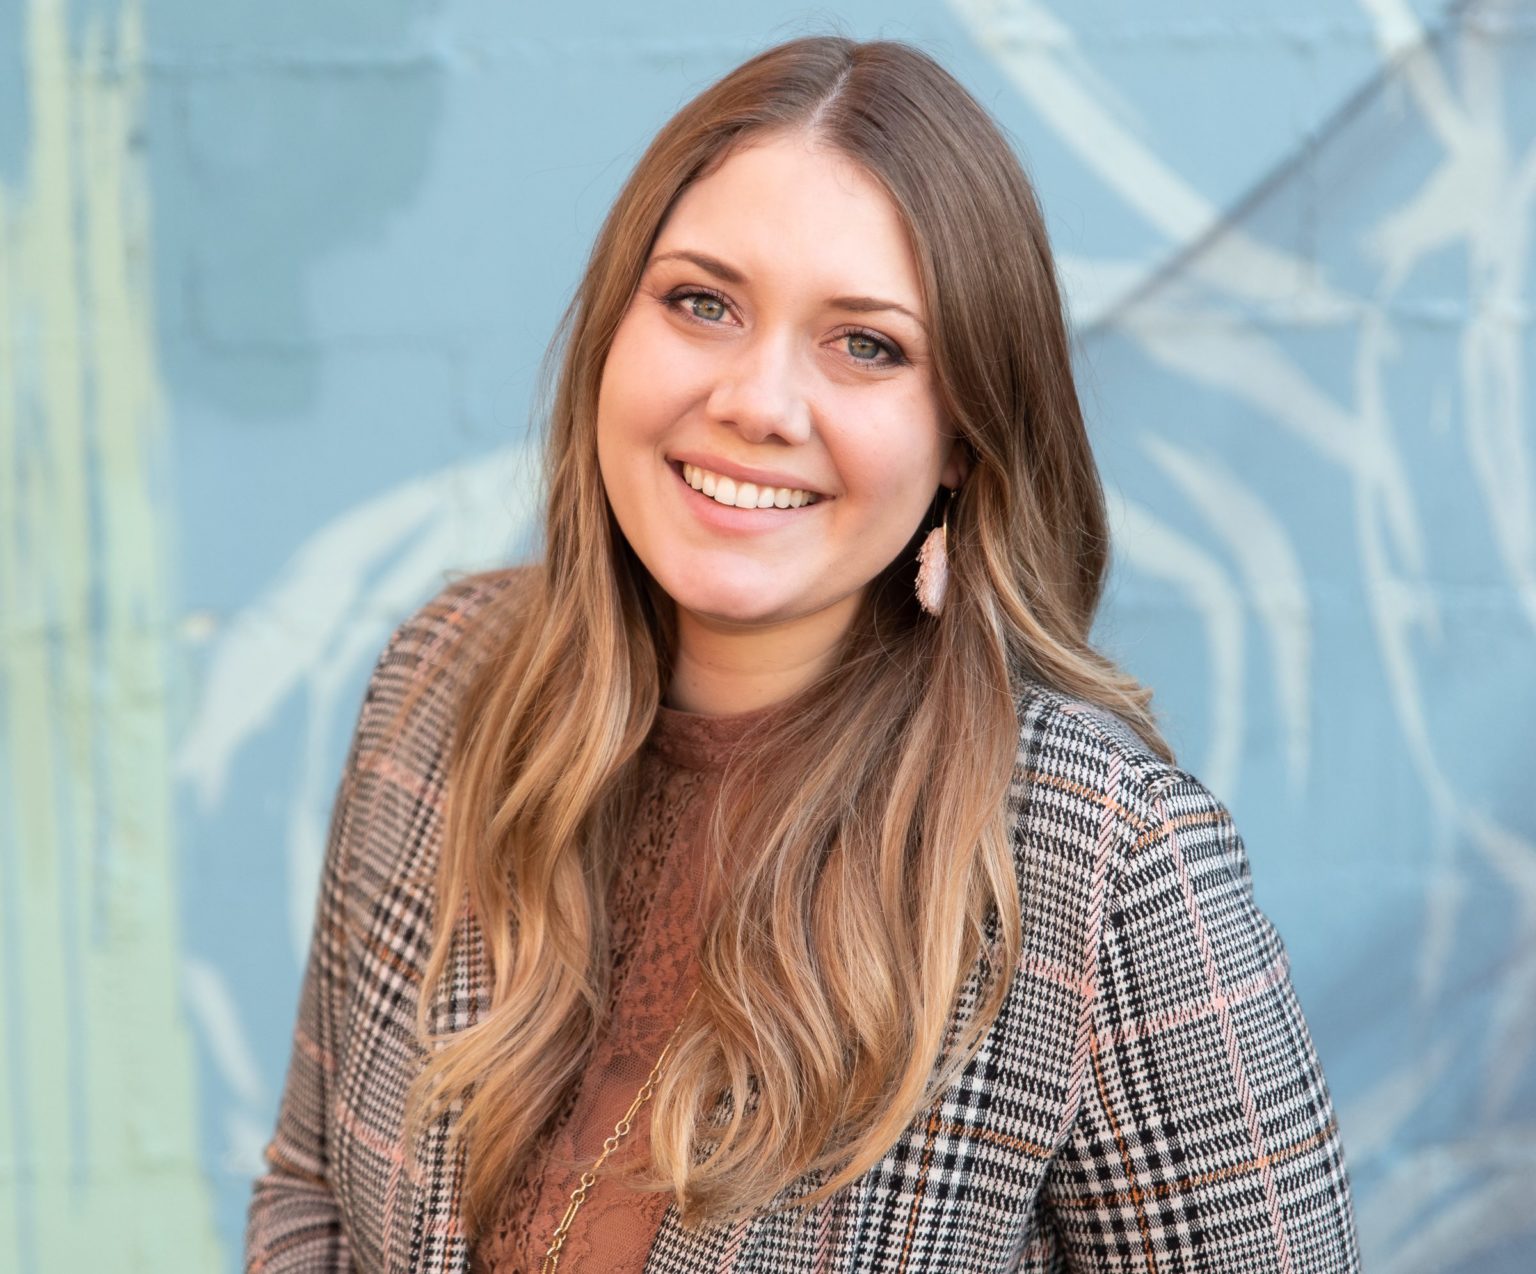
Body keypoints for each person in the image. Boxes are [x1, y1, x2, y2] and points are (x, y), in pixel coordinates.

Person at [245, 34, 1361, 1274]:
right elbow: (313, 1196)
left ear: (961, 440)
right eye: (701, 303)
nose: (759, 401)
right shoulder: (444, 683)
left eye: (867, 344)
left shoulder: (1102, 863)